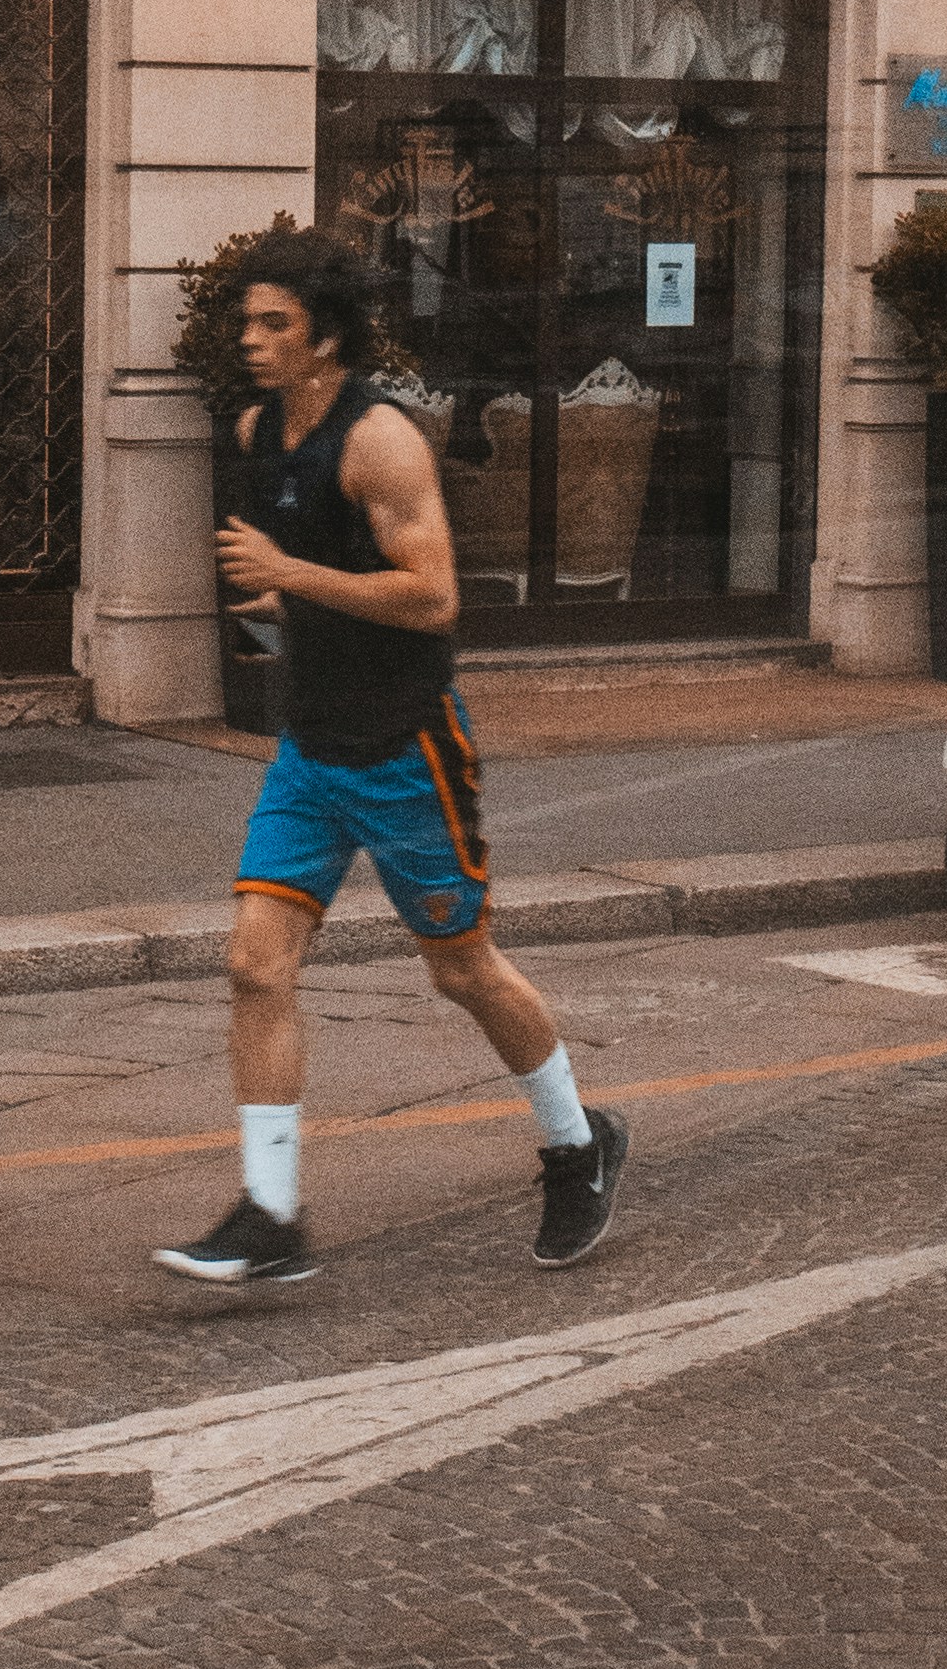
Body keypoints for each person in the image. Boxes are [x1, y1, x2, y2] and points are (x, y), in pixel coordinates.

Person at [155, 225, 631, 1292]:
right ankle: (272, 1214)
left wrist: (291, 575)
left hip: (407, 750)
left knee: (462, 969)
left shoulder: (381, 442)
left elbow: (432, 597)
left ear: (325, 338)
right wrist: (279, 598)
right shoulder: (257, 430)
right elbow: (312, 579)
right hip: (310, 750)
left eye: (274, 323)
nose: (251, 339)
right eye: (246, 321)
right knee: (254, 963)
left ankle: (578, 1142)